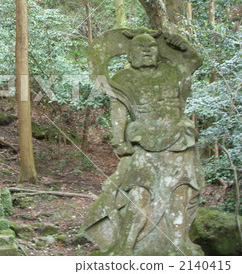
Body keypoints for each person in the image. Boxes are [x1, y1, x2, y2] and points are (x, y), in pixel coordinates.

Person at [84, 31, 204, 255]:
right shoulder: (123, 79)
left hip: (178, 139)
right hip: (143, 140)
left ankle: (178, 245)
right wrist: (119, 140)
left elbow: (194, 62)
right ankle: (125, 246)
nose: (147, 51)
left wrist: (184, 47)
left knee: (181, 192)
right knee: (139, 193)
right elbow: (118, 109)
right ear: (130, 55)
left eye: (151, 47)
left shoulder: (172, 71)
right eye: (140, 48)